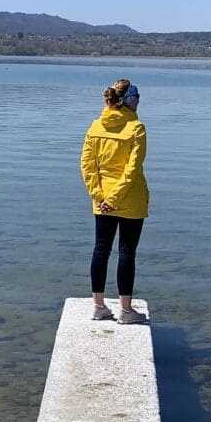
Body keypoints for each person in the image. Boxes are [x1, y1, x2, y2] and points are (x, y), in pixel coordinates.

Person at [80, 78, 150, 323]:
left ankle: (98, 306)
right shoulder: (136, 129)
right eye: (138, 98)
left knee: (101, 249)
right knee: (127, 253)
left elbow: (87, 166)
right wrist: (114, 198)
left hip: (102, 201)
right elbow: (132, 170)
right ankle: (126, 311)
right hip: (129, 200)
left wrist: (100, 196)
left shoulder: (95, 127)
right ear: (130, 101)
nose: (139, 102)